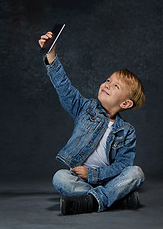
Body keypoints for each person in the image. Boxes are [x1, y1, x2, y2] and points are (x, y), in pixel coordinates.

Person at [38, 31, 146, 215]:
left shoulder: (127, 132)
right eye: (108, 80)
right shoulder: (84, 109)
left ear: (126, 103)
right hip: (81, 178)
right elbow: (64, 88)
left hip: (108, 179)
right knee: (60, 178)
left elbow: (122, 166)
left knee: (136, 173)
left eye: (116, 86)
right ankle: (116, 199)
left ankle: (90, 201)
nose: (107, 84)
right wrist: (51, 54)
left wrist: (94, 175)